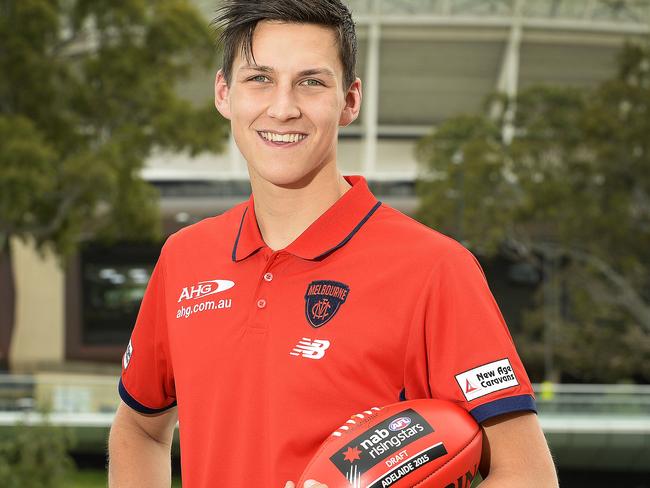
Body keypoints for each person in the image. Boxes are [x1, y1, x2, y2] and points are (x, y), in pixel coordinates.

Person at [108, 1, 558, 487]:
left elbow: (527, 474)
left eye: (311, 81)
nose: (282, 108)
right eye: (259, 78)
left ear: (350, 100)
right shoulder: (184, 257)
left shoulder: (435, 268)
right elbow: (140, 428)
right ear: (224, 93)